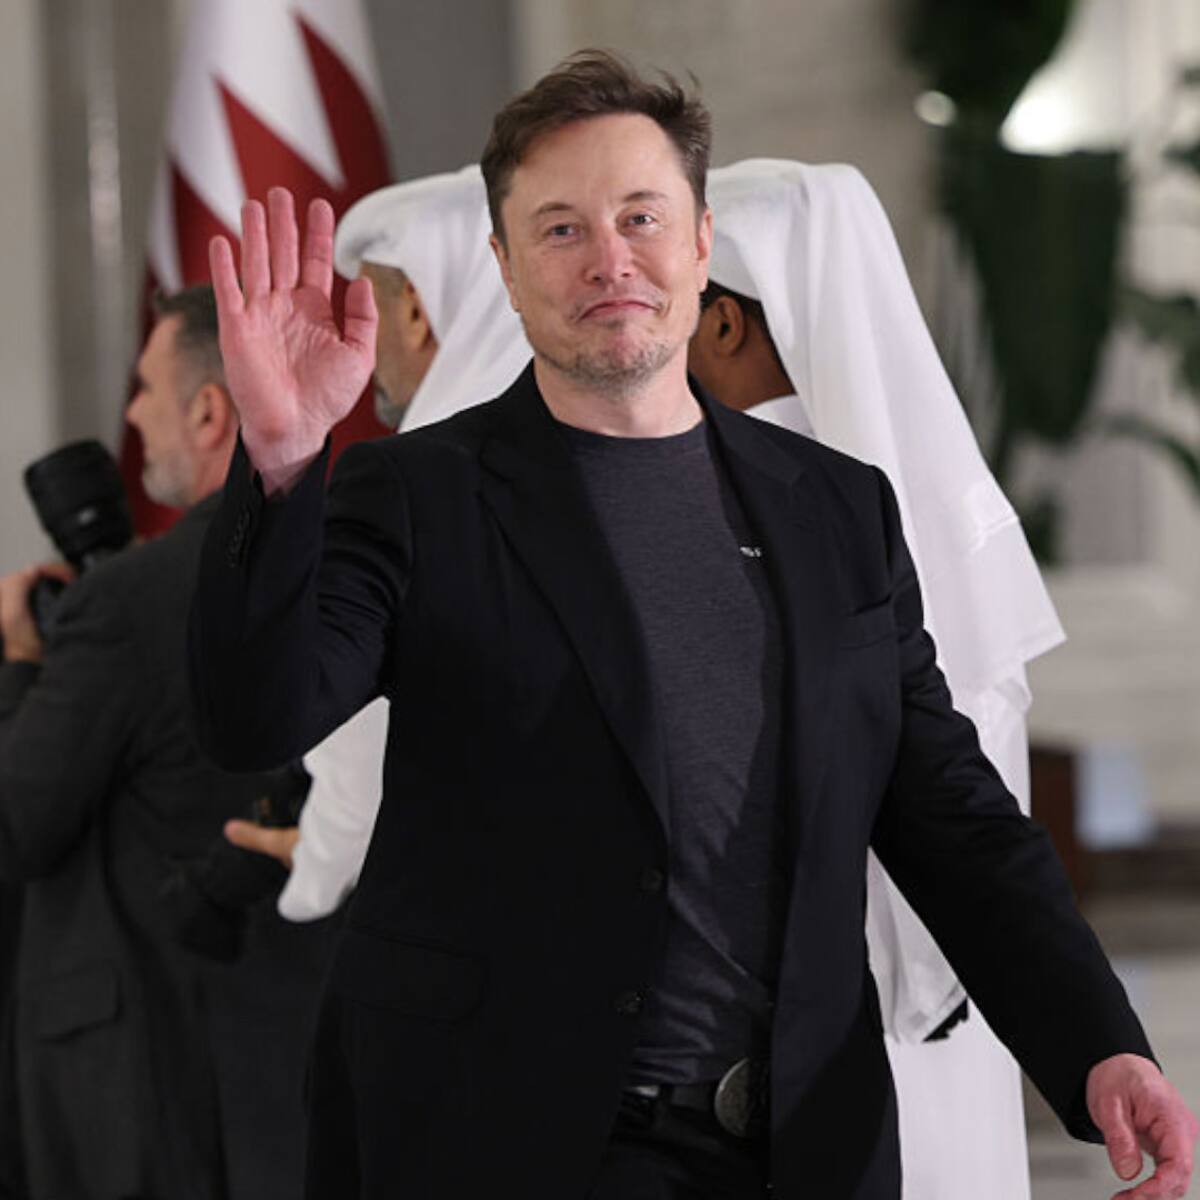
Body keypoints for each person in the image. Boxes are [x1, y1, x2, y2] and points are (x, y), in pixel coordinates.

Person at [189, 52, 1197, 1199]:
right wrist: (281, 461)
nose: (610, 259)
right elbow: (253, 718)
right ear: (504, 267)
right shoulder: (419, 496)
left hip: (800, 1146)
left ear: (703, 242)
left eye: (642, 217)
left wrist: (1099, 1045)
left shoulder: (837, 510)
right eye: (560, 229)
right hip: (509, 1140)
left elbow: (949, 812)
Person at [689, 158, 1065, 1199]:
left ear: (723, 322)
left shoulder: (739, 501)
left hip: (807, 1020)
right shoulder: (927, 489)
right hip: (964, 986)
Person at [0, 286, 326, 1199]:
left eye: (145, 389)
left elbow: (16, 825)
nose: (134, 415)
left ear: (210, 411)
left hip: (146, 1081)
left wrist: (20, 666)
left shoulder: (126, 603)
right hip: (301, 1048)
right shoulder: (344, 558)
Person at [223, 166, 532, 919]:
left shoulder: (413, 484)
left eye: (369, 306)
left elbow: (361, 753)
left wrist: (309, 885)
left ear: (417, 310)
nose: (361, 351)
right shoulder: (578, 444)